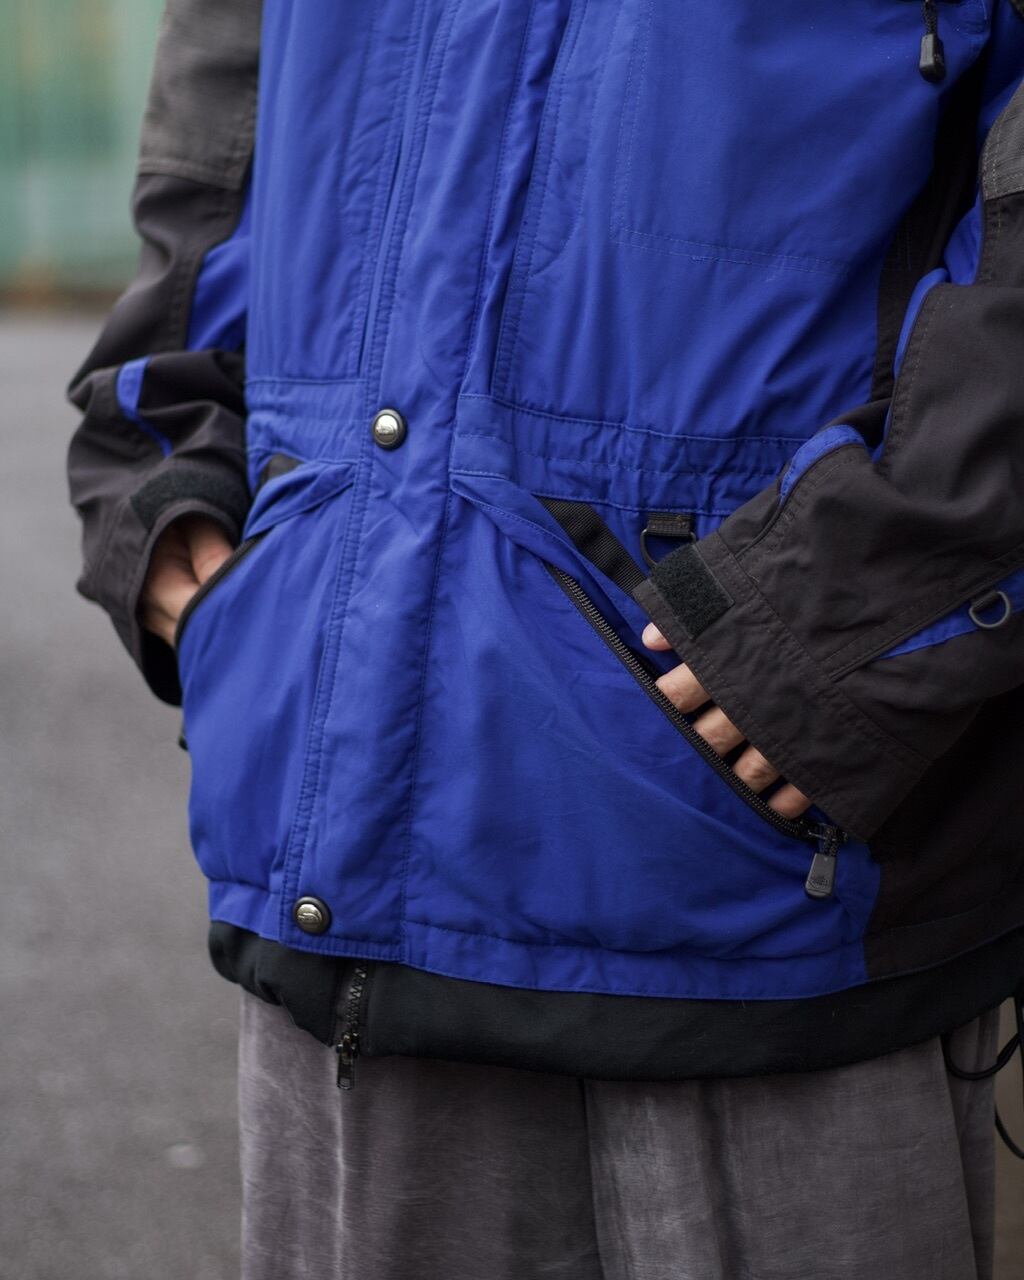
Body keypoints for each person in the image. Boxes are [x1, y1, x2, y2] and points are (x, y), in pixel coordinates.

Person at [67, 1, 1024, 1276]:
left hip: (763, 875)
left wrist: (871, 610)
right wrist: (169, 460)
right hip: (335, 842)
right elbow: (226, 91)